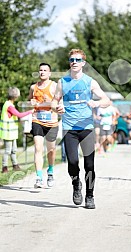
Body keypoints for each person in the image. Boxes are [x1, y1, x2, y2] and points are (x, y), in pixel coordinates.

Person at [54, 48, 110, 209]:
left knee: (89, 165)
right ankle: (76, 184)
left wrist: (97, 103)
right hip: (69, 127)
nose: (74, 62)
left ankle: (90, 196)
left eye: (78, 60)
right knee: (72, 162)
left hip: (86, 128)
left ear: (83, 63)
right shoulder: (62, 82)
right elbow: (54, 102)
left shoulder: (90, 82)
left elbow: (106, 100)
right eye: (72, 60)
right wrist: (57, 107)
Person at [28, 63, 59, 188]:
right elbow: (29, 100)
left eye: (45, 70)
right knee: (38, 148)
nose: (42, 72)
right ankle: (39, 177)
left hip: (51, 123)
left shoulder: (54, 86)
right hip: (37, 121)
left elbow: (59, 105)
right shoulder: (33, 87)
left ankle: (50, 172)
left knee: (51, 150)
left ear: (49, 73)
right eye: (40, 70)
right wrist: (31, 101)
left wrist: (50, 101)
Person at [0, 87, 34, 173]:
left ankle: (15, 165)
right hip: (8, 133)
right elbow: (19, 115)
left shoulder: (8, 104)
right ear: (15, 96)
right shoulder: (9, 106)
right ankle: (4, 167)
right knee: (8, 150)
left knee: (14, 150)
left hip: (11, 132)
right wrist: (30, 111)